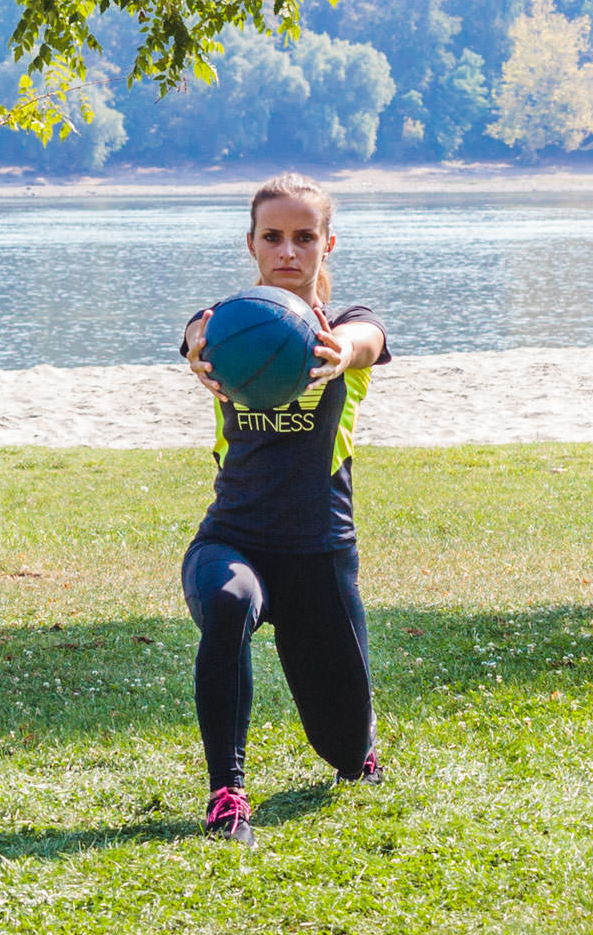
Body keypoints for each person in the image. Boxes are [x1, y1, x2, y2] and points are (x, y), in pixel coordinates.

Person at [180, 172, 391, 847]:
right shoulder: (230, 326)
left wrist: (340, 353)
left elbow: (371, 340)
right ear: (252, 244)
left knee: (348, 756)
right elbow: (196, 331)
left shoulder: (348, 327)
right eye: (273, 237)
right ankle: (227, 796)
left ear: (328, 244)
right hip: (232, 539)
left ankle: (359, 743)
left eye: (304, 238)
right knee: (229, 602)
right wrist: (194, 345)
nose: (288, 252)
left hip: (320, 556)